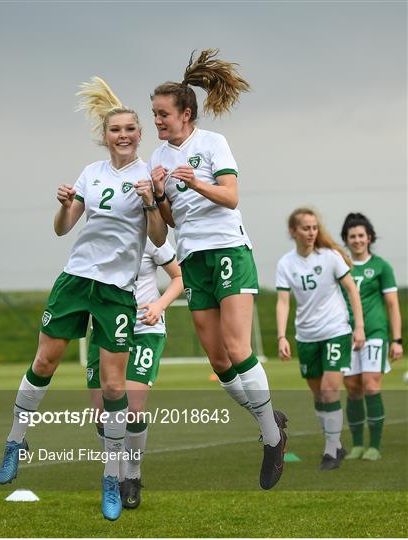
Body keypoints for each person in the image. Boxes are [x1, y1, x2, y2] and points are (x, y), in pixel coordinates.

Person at [0, 77, 167, 521]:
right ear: (105, 136)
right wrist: (64, 203)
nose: (124, 135)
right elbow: (62, 228)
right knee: (44, 363)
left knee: (114, 387)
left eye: (131, 129)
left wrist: (150, 202)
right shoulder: (90, 173)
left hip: (116, 293)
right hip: (75, 281)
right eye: (116, 130)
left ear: (139, 134)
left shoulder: (148, 177)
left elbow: (160, 235)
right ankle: (16, 439)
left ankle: (112, 477)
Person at [149, 49, 288, 490]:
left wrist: (195, 182)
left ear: (186, 114)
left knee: (237, 344)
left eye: (163, 114)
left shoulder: (212, 144)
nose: (157, 121)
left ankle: (271, 440)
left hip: (228, 248)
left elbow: (230, 197)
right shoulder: (158, 156)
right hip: (193, 259)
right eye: (154, 114)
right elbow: (171, 221)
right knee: (218, 358)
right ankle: (271, 419)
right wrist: (158, 195)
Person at [87, 238, 183, 509]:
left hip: (144, 328)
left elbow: (178, 276)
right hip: (106, 329)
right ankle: (113, 480)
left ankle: (132, 475)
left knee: (132, 408)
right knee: (100, 413)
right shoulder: (98, 237)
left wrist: (159, 306)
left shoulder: (151, 237)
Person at [276, 208, 365, 470]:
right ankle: (335, 443)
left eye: (314, 227)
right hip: (306, 336)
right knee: (318, 395)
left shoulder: (330, 257)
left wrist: (358, 326)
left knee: (329, 389)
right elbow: (283, 302)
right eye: (306, 228)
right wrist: (282, 336)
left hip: (336, 330)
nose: (311, 232)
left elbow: (352, 291)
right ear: (294, 231)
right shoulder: (286, 264)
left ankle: (330, 451)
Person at [340, 212, 403, 460]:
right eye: (352, 236)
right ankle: (357, 444)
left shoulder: (381, 267)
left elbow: (392, 305)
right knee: (353, 387)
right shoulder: (340, 266)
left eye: (361, 235)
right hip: (346, 334)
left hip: (375, 333)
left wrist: (397, 340)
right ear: (346, 239)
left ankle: (374, 445)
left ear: (369, 238)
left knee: (371, 384)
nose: (357, 240)